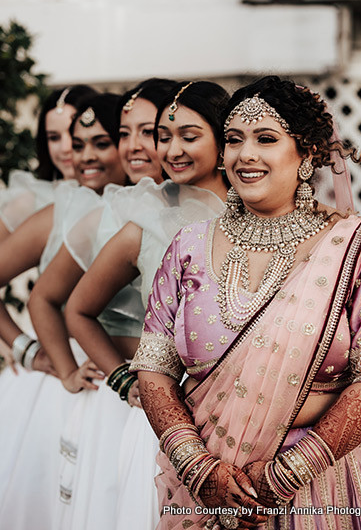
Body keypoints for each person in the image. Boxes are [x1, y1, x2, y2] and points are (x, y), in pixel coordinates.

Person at [131, 75, 361, 530]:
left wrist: (285, 475)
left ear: (306, 155)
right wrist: (196, 465)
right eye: (235, 140)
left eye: (267, 139)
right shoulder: (189, 245)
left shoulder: (356, 244)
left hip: (322, 490)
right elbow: (153, 367)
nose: (246, 155)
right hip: (209, 493)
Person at [64, 80, 229, 530]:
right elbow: (78, 309)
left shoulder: (258, 213)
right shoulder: (148, 218)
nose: (171, 150)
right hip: (166, 420)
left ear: (222, 137)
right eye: (164, 136)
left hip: (244, 415)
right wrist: (124, 380)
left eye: (188, 137)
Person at [27, 78, 176, 530]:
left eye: (147, 133)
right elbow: (55, 302)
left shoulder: (212, 209)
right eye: (125, 133)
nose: (134, 146)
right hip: (123, 394)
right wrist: (59, 364)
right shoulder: (114, 215)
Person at [0, 92, 127, 530]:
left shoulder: (150, 208)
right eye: (71, 141)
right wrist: (26, 350)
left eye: (102, 140)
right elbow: (45, 299)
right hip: (67, 374)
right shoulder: (59, 210)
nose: (75, 152)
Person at [0, 85, 96, 368]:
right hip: (66, 359)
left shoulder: (127, 199)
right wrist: (24, 349)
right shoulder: (31, 202)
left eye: (74, 133)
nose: (66, 147)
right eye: (54, 137)